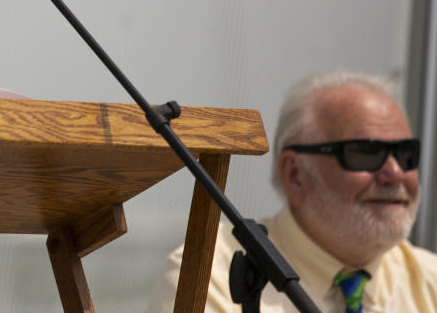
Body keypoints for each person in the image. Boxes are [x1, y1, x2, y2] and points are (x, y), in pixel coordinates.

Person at [145, 70, 437, 312]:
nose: (396, 173)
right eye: (365, 153)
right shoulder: (212, 272)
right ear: (295, 174)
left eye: (405, 154)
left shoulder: (430, 282)